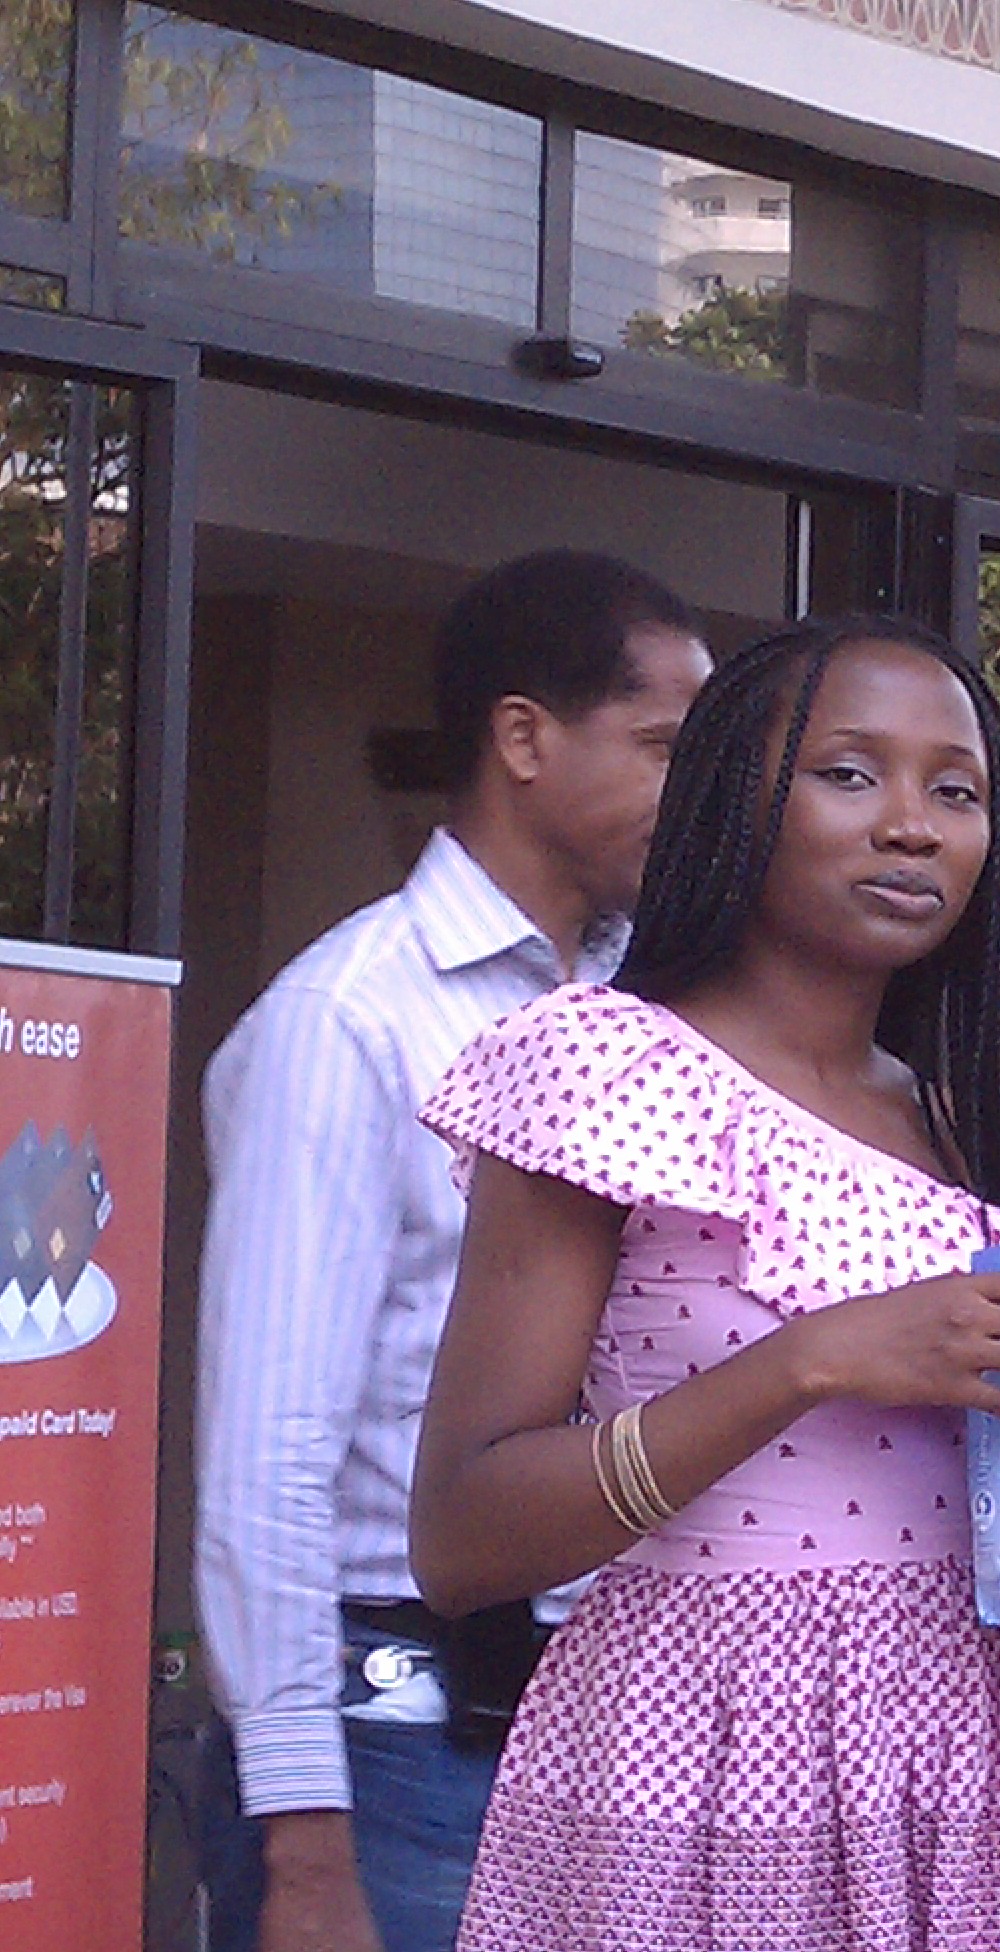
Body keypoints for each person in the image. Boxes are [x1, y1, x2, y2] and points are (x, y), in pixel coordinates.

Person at [404, 617, 1000, 1949]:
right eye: (851, 774)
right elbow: (459, 1538)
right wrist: (809, 1360)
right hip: (703, 1751)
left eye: (955, 791)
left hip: (958, 1758)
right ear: (738, 795)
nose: (911, 825)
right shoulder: (603, 1070)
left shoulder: (951, 1127)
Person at [193, 552, 709, 1952]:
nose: (701, 793)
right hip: (395, 1748)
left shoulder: (650, 1017)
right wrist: (302, 1845)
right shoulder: (345, 1023)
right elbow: (268, 1458)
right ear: (524, 738)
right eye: (665, 747)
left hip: (608, 1731)